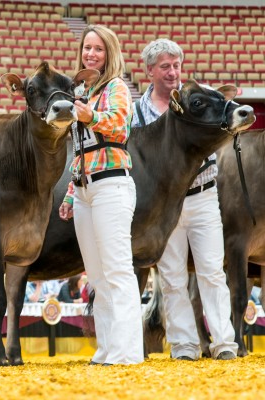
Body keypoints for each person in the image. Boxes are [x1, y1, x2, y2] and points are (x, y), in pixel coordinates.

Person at [131, 38, 237, 361]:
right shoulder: (138, 112)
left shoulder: (203, 97)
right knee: (172, 276)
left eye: (176, 65)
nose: (173, 72)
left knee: (212, 270)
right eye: (165, 67)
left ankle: (224, 343)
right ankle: (184, 346)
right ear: (149, 71)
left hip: (203, 195)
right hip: (164, 205)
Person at [58, 25, 142, 365]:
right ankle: (107, 348)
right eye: (87, 48)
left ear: (110, 53)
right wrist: (69, 193)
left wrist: (89, 115)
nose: (90, 54)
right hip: (84, 189)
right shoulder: (83, 91)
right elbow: (80, 151)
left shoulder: (116, 87)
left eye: (98, 48)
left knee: (117, 271)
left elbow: (120, 126)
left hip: (111, 185)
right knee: (96, 276)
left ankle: (128, 352)